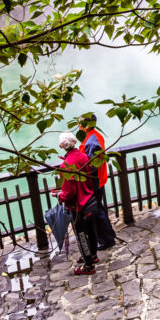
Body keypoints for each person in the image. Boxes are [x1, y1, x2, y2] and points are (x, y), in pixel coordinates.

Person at [57, 132, 100, 275]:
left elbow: (68, 193)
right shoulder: (84, 157)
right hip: (90, 200)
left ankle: (88, 266)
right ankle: (93, 255)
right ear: (74, 142)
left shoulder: (66, 165)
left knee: (81, 236)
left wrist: (59, 195)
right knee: (92, 230)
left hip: (78, 206)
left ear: (61, 146)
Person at [77, 113, 116, 249]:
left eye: (80, 122)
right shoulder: (93, 136)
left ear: (88, 125)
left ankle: (107, 240)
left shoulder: (91, 140)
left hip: (94, 181)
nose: (78, 125)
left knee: (97, 210)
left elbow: (92, 165)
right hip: (98, 179)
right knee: (99, 207)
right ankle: (108, 236)